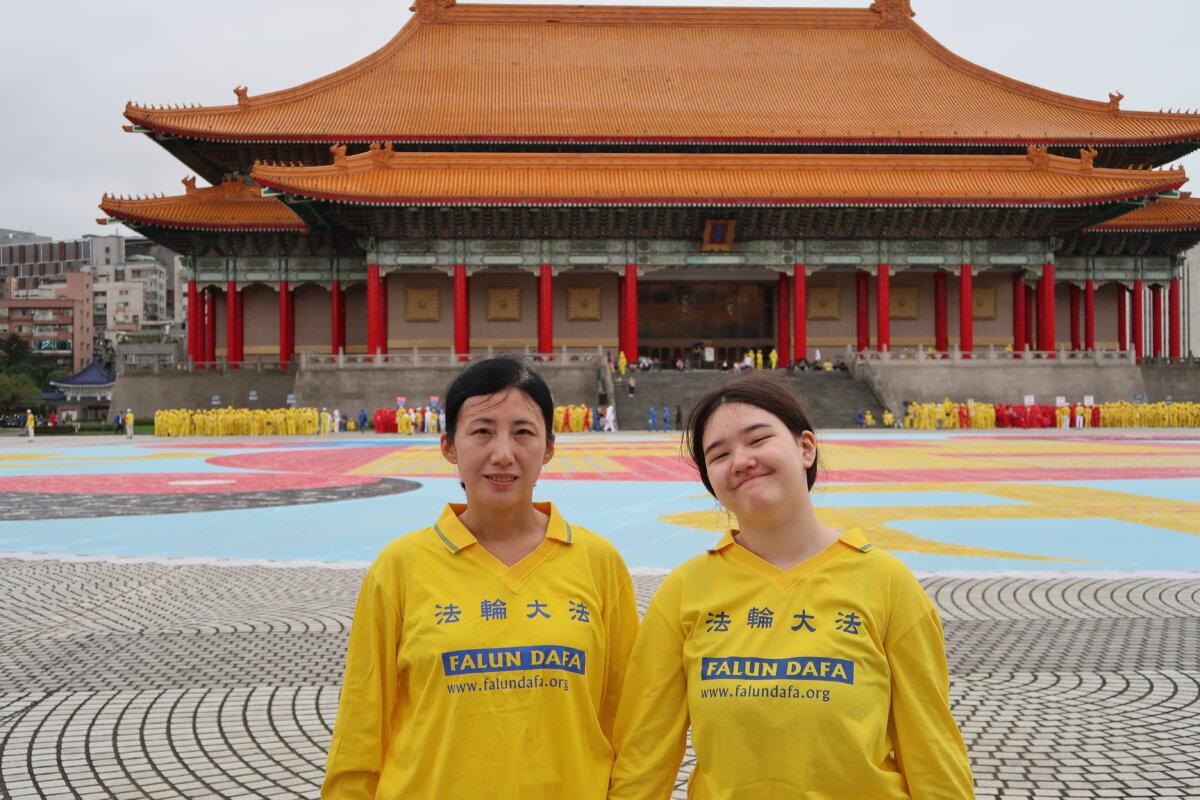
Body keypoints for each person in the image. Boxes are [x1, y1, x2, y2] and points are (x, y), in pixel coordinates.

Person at [609, 374, 973, 799]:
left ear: (805, 447)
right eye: (719, 454)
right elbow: (645, 753)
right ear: (711, 482)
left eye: (757, 439)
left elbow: (932, 749)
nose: (741, 460)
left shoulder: (887, 584)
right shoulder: (685, 592)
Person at [324, 355, 639, 799]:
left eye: (523, 432)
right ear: (449, 446)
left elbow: (629, 722)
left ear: (550, 446)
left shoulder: (599, 563)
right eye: (482, 431)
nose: (503, 454)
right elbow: (359, 730)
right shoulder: (398, 569)